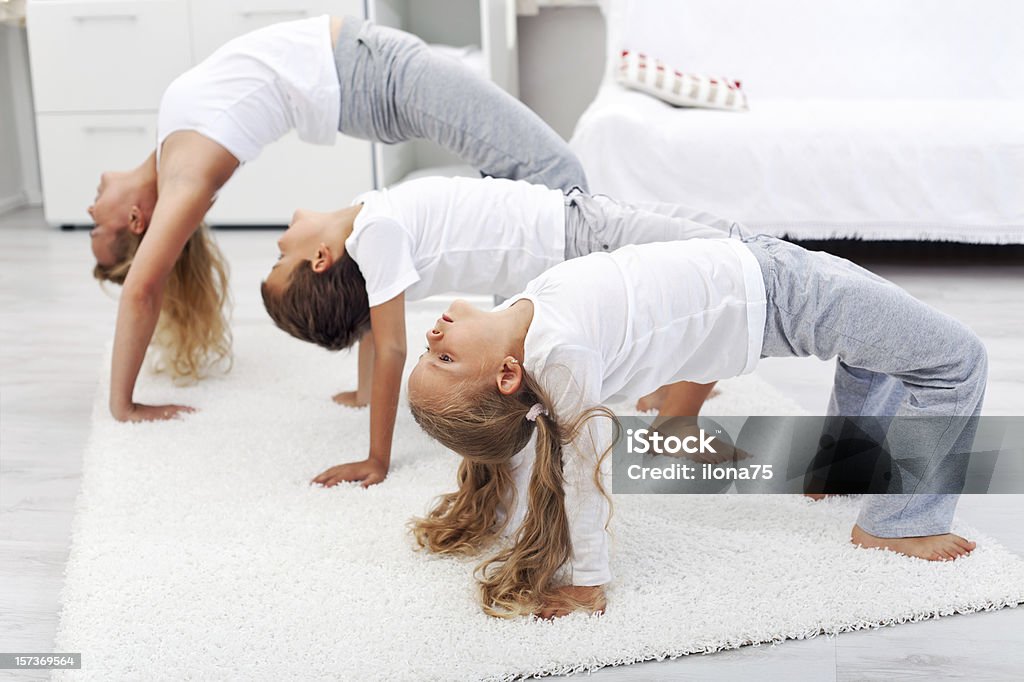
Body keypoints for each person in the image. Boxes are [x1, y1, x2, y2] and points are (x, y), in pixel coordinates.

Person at [406, 234, 987, 618]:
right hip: (783, 292)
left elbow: (516, 438)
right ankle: (895, 524)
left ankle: (850, 465)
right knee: (955, 361)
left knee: (881, 348)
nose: (432, 338)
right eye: (444, 360)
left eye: (430, 355)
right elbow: (585, 475)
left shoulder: (526, 328)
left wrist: (495, 476)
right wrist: (588, 581)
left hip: (761, 270)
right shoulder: (561, 358)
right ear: (508, 375)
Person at [87, 14, 586, 422]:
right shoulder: (186, 174)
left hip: (371, 70)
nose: (90, 209)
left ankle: (512, 357)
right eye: (97, 226)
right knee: (556, 173)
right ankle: (524, 360)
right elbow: (143, 288)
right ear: (136, 220)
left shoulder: (172, 146)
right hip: (381, 75)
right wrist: (122, 405)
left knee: (520, 183)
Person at [261, 175, 730, 487]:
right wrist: (376, 459)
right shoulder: (374, 232)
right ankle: (676, 421)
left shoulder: (366, 222)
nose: (279, 245)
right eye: (281, 260)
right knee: (718, 261)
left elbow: (369, 314)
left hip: (568, 225)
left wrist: (365, 393)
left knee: (709, 265)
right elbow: (389, 345)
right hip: (572, 236)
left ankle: (673, 404)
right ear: (319, 258)